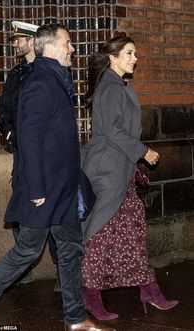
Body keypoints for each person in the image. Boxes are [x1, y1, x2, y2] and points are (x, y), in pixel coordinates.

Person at [0, 23, 116, 331]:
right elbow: (30, 139)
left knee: (71, 248)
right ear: (49, 47)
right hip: (44, 189)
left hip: (63, 187)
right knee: (28, 251)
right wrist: (35, 188)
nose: (72, 48)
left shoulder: (55, 79)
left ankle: (75, 319)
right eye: (68, 43)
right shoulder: (39, 83)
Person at [80, 36, 179, 320]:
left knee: (131, 234)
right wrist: (143, 151)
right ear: (112, 57)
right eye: (129, 52)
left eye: (135, 52)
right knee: (98, 234)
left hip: (119, 171)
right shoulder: (110, 87)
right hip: (107, 172)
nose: (135, 58)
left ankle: (149, 289)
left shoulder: (118, 85)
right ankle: (89, 294)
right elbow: (112, 132)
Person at [0, 20, 59, 285]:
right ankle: (23, 266)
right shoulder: (17, 74)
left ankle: (61, 269)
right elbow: (4, 109)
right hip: (23, 155)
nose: (14, 44)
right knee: (23, 206)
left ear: (33, 41)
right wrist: (11, 136)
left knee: (56, 210)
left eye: (18, 39)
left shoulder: (47, 72)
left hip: (48, 156)